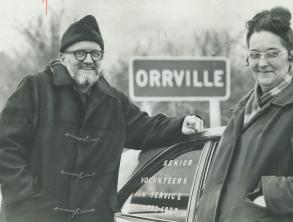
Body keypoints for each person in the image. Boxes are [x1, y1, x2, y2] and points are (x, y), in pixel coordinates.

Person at [0, 15, 204, 222]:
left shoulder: (113, 101)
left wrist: (181, 125)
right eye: (80, 53)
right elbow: (5, 145)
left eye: (96, 54)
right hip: (35, 215)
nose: (89, 60)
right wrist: (24, 196)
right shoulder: (35, 89)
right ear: (63, 57)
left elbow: (146, 128)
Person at [195, 7, 293, 222]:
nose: (262, 63)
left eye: (272, 53)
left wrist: (264, 196)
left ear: (292, 56)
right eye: (254, 55)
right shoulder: (244, 106)